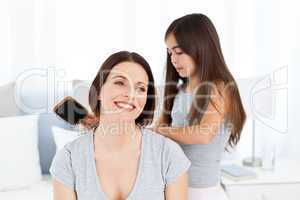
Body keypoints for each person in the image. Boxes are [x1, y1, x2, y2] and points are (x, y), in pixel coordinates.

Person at [50, 51, 191, 200]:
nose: (131, 94)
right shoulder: (68, 159)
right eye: (119, 82)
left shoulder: (168, 155)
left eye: (141, 88)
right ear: (97, 91)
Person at [152, 13, 246, 200]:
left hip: (203, 193)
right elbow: (159, 134)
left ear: (201, 48)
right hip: (175, 189)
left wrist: (162, 131)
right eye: (170, 52)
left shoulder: (221, 87)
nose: (173, 59)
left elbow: (203, 134)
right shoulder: (178, 90)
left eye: (179, 52)